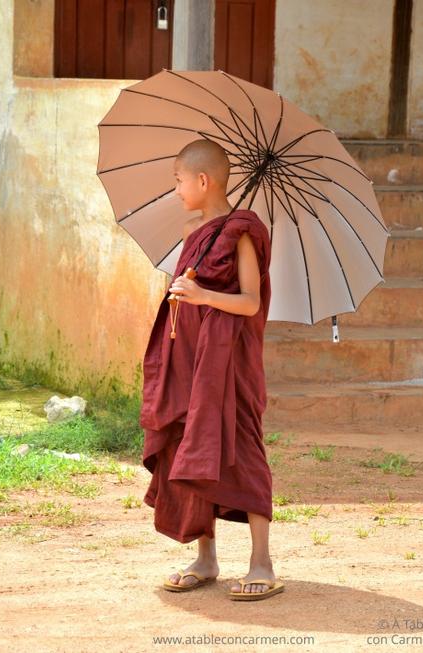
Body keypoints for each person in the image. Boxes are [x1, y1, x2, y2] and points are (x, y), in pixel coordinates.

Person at [140, 138, 284, 601]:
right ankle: (206, 557)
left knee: (240, 447)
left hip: (230, 364)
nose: (177, 190)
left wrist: (203, 297)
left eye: (179, 180)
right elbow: (185, 297)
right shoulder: (192, 234)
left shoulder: (242, 231)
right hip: (190, 360)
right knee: (190, 443)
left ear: (203, 180)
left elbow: (250, 301)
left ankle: (261, 561)